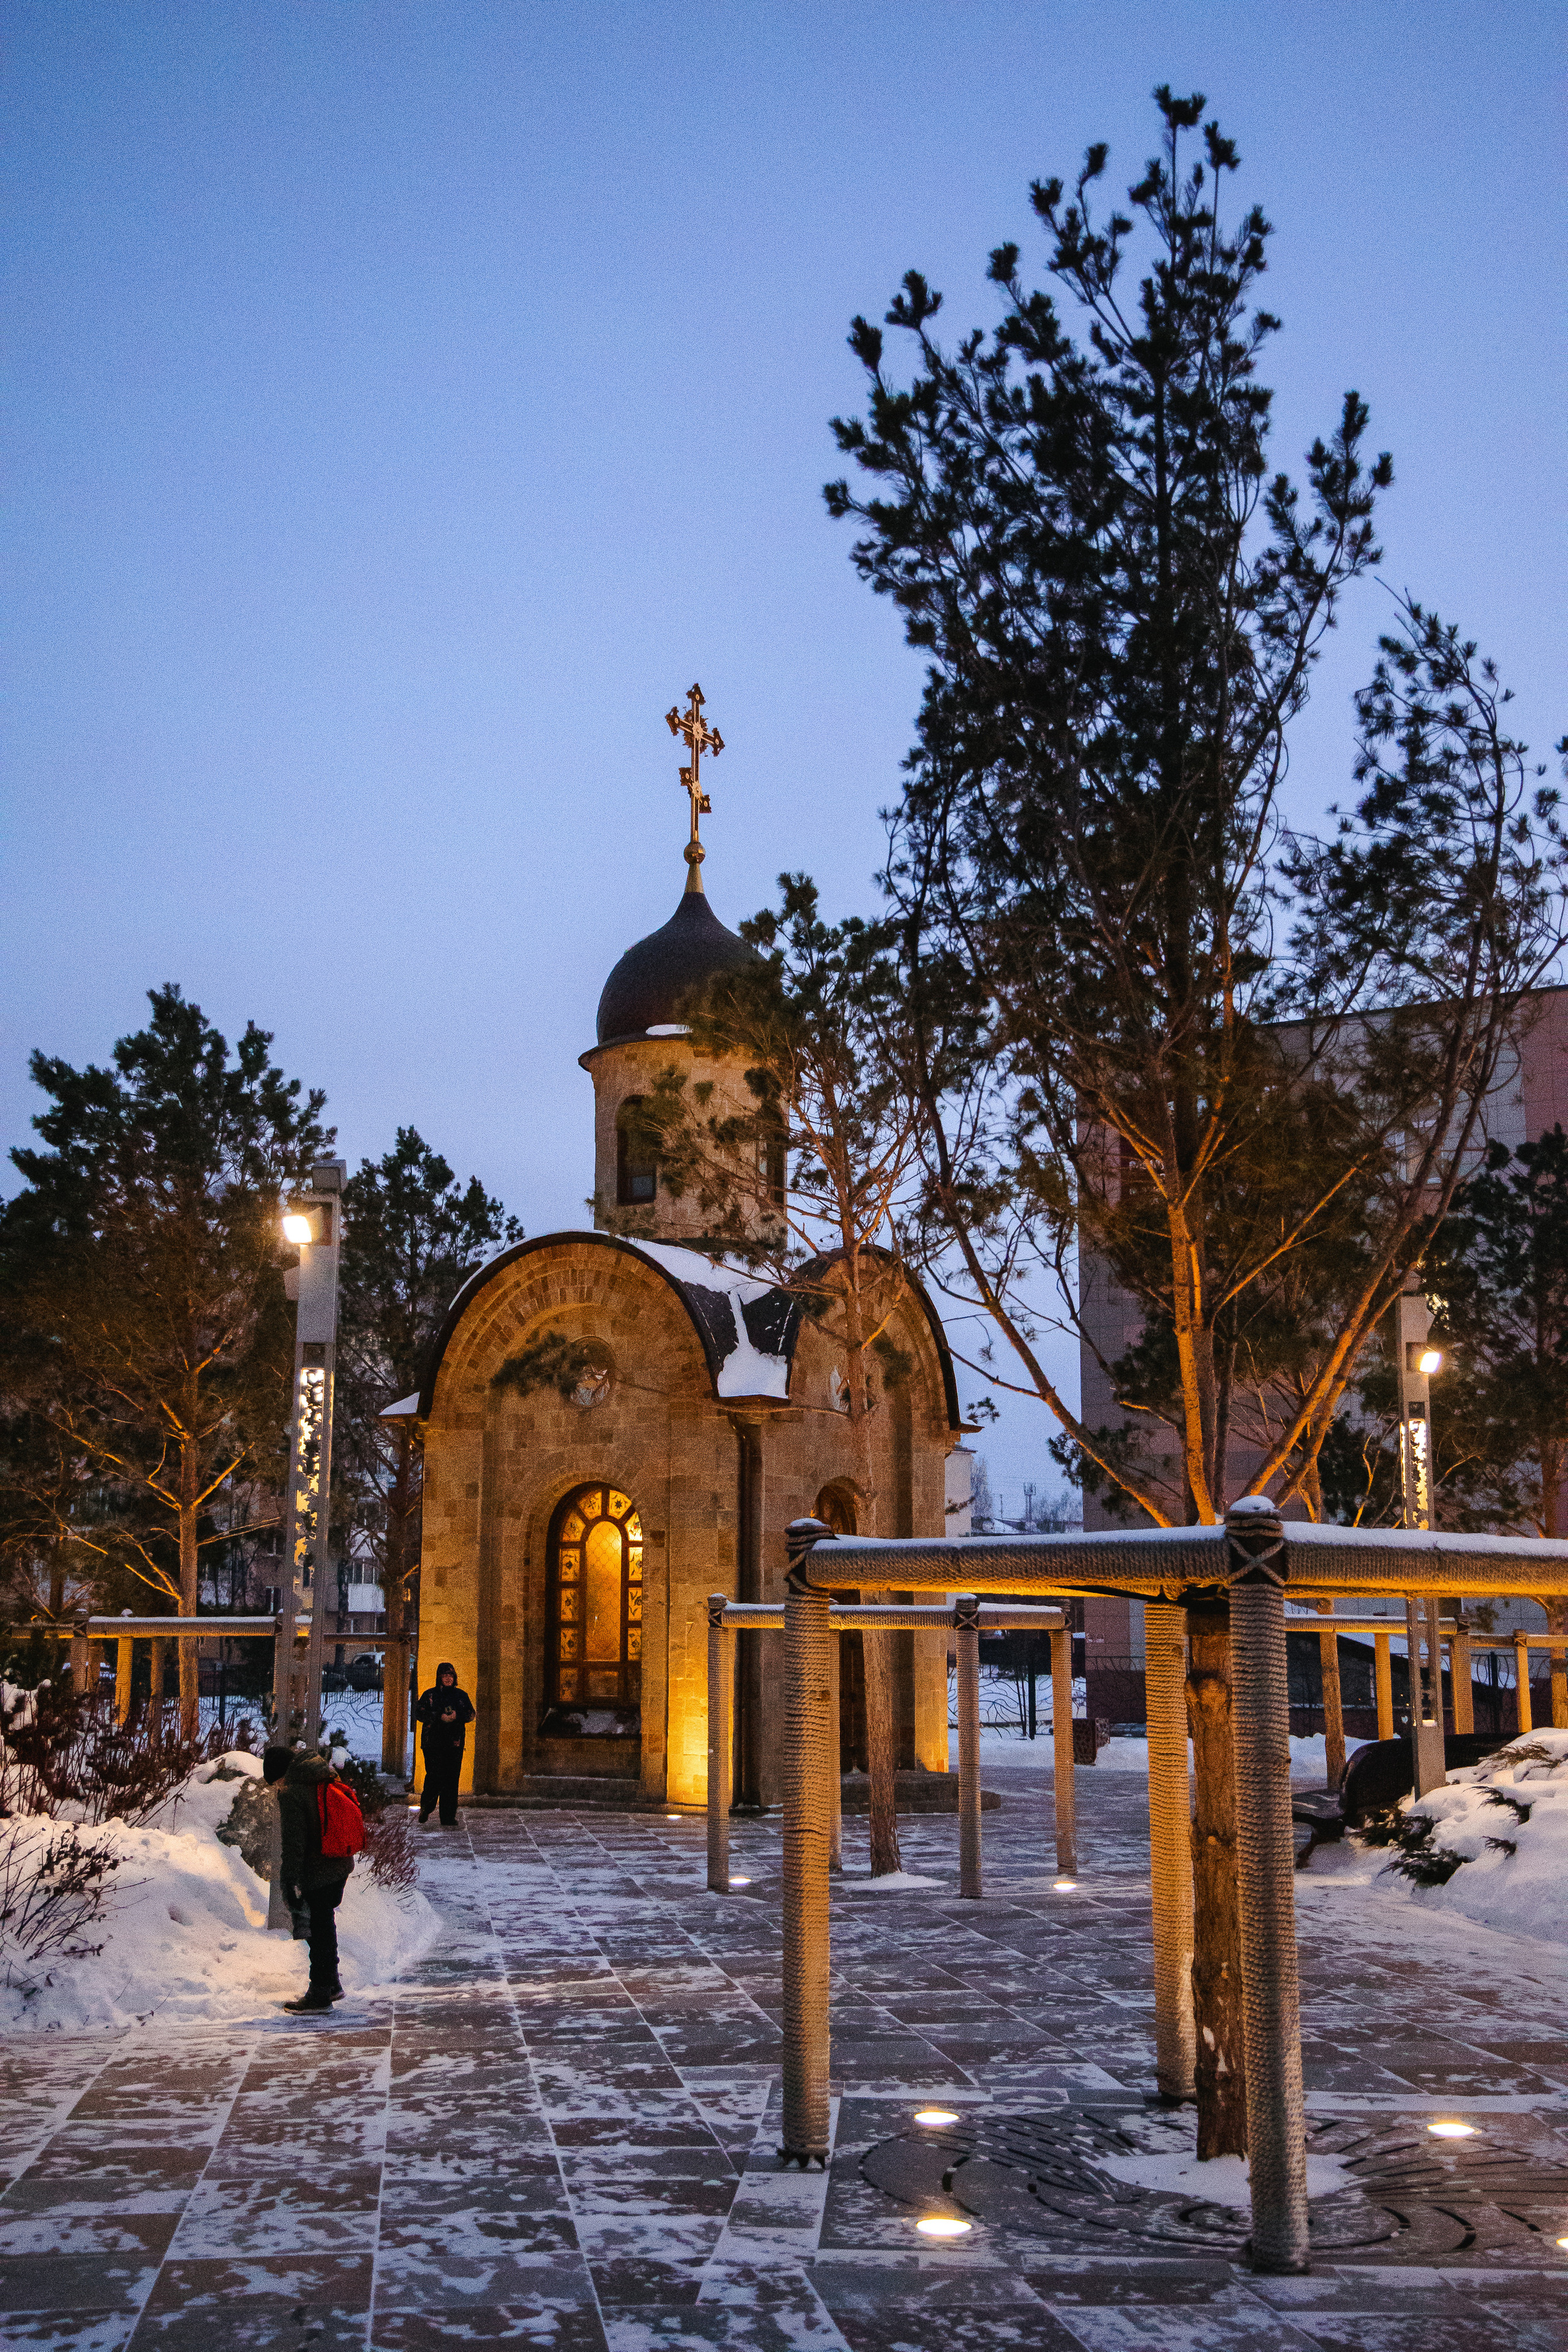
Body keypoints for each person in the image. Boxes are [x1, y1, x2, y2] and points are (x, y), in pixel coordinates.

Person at [263, 1743, 353, 2013]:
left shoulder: (292, 1792)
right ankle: (332, 1984)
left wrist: (289, 1881)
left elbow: (294, 1844)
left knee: (318, 1929)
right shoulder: (320, 1774)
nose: (275, 1789)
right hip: (339, 1860)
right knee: (325, 1924)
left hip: (320, 1868)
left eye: (275, 1783)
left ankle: (319, 1994)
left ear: (281, 1776)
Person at [414, 1661, 475, 1825]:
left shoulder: (460, 1696)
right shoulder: (430, 1695)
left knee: (451, 1780)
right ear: (439, 1677)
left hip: (454, 1744)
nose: (447, 1678)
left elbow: (471, 1714)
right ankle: (426, 1808)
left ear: (454, 1678)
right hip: (433, 1744)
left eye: (450, 1675)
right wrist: (437, 1716)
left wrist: (457, 1716)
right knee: (434, 1776)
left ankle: (448, 1816)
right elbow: (419, 1713)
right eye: (444, 1675)